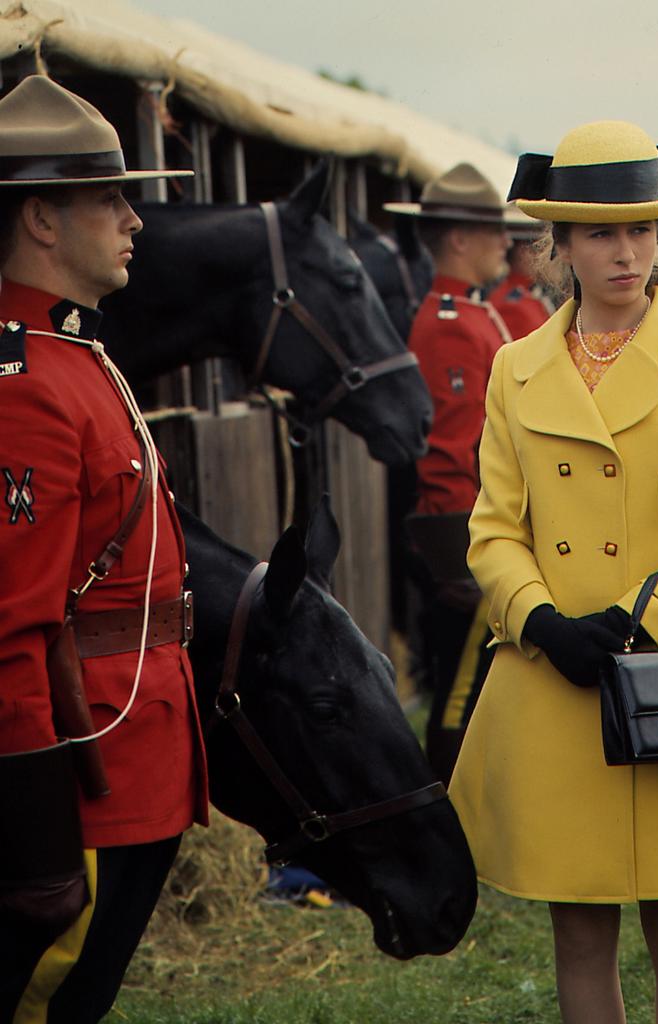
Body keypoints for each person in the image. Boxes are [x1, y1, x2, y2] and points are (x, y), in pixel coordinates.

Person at [449, 120, 658, 1024]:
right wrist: (542, 623)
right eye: (599, 233)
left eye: (640, 230)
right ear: (560, 246)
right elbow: (494, 528)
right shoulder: (516, 369)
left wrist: (642, 624)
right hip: (556, 681)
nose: (625, 253)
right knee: (579, 932)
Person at [0, 75, 208, 1023]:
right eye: (108, 200)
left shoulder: (75, 354)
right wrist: (40, 846)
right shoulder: (24, 384)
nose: (133, 219)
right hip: (80, 777)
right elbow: (14, 628)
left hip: (133, 746)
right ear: (41, 219)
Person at [384, 163, 513, 783]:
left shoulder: (468, 313)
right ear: (459, 239)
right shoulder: (448, 325)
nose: (506, 244)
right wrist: (462, 553)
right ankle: (447, 817)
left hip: (477, 522)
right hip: (460, 529)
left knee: (479, 685)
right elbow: (451, 449)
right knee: (459, 694)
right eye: (493, 231)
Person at [488, 223, 553, 339]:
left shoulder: (529, 294)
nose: (545, 258)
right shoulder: (512, 304)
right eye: (538, 250)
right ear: (523, 253)